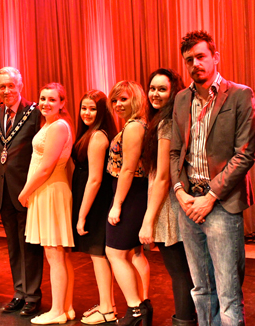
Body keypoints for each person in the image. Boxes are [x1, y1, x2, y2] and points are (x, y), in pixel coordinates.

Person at [170, 30, 255, 326]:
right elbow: (174, 153)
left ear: (215, 57)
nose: (195, 64)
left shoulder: (240, 95)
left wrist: (209, 197)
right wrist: (181, 193)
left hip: (221, 203)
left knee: (228, 293)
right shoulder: (181, 99)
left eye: (201, 56)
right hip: (188, 204)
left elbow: (244, 155)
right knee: (201, 288)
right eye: (189, 59)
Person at [138, 69, 196, 326]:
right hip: (170, 203)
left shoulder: (167, 123)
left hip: (169, 206)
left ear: (174, 92)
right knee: (186, 273)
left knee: (181, 274)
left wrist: (148, 221)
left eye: (162, 89)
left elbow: (162, 177)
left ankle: (184, 320)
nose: (155, 93)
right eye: (152, 88)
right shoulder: (165, 119)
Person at [19, 83, 75, 324]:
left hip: (50, 190)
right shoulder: (50, 125)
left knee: (54, 254)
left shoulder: (59, 126)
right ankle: (66, 307)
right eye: (42, 98)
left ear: (62, 103)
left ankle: (57, 311)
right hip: (47, 190)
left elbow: (46, 167)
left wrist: (25, 192)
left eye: (52, 99)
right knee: (59, 255)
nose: (45, 103)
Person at [0, 66, 44, 317]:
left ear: (20, 85)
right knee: (13, 246)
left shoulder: (34, 113)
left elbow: (39, 153)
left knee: (30, 245)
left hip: (26, 190)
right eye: (2, 86)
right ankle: (19, 293)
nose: (7, 90)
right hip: (4, 191)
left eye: (11, 85)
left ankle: (33, 295)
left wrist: (32, 186)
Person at [105, 81, 153, 326]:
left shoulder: (134, 126)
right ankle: (144, 307)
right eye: (114, 100)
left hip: (130, 194)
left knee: (114, 252)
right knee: (135, 253)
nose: (118, 104)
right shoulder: (137, 125)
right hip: (133, 193)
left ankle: (135, 310)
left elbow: (128, 170)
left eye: (123, 99)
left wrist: (117, 204)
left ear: (136, 99)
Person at [71, 90, 118, 324]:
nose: (86, 113)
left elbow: (95, 179)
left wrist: (81, 215)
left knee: (99, 255)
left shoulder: (98, 136)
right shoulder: (91, 133)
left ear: (101, 112)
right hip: (91, 199)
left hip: (96, 202)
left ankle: (108, 310)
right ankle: (106, 304)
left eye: (92, 109)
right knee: (97, 256)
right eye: (84, 108)